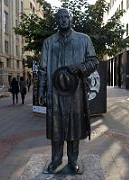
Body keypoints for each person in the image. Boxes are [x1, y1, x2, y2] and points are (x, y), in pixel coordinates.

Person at [39, 8, 99, 174]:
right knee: (56, 129)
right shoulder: (49, 42)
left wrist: (80, 67)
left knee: (74, 128)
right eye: (60, 17)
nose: (64, 20)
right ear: (57, 20)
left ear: (71, 19)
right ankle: (56, 160)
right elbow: (43, 69)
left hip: (76, 92)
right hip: (55, 92)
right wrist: (41, 92)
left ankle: (73, 161)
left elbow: (94, 61)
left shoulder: (83, 39)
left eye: (66, 17)